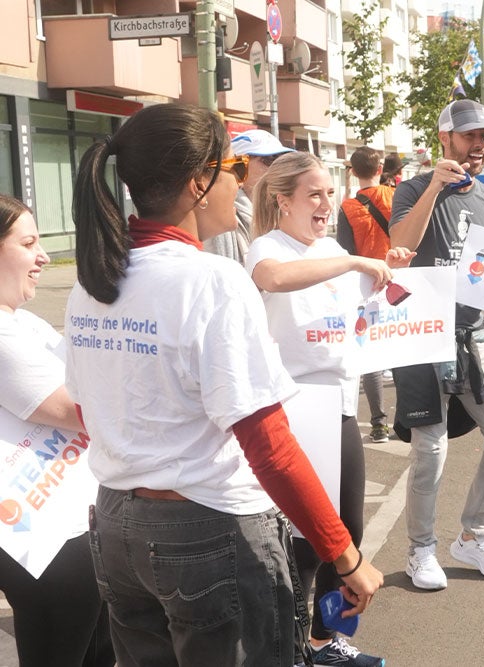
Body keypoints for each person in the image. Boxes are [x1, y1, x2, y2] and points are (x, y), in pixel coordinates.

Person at [65, 102, 382, 667]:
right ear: (197, 183)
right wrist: (345, 554)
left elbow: (92, 412)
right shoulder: (212, 279)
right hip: (207, 531)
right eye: (232, 168)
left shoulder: (92, 280)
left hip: (117, 527)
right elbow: (271, 447)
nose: (240, 182)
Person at [248, 150, 411, 666]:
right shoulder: (265, 248)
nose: (326, 203)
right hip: (292, 412)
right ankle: (291, 647)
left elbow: (362, 314)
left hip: (339, 406)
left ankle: (323, 640)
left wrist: (383, 275)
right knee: (301, 543)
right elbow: (273, 279)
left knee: (348, 532)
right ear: (283, 201)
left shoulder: (332, 249)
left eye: (329, 192)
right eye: (314, 194)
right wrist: (351, 260)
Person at [388, 98, 484, 591]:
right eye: (469, 136)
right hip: (419, 334)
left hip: (472, 334)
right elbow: (400, 244)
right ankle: (421, 551)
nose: (479, 145)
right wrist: (435, 186)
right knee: (430, 450)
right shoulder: (412, 189)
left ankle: (475, 536)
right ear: (445, 140)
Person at [0, 195, 115, 667]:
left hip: (68, 517)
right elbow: (82, 409)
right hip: (40, 530)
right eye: (28, 243)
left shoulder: (22, 321)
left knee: (96, 649)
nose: (44, 256)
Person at [338, 146, 398, 445]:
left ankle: (378, 424)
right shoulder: (395, 196)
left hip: (366, 285)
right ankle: (408, 419)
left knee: (372, 354)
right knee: (403, 346)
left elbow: (345, 252)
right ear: (380, 169)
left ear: (353, 171)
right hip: (400, 280)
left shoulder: (348, 207)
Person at [203, 128, 293, 263]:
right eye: (268, 160)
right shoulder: (220, 217)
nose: (277, 167)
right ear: (238, 166)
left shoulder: (287, 212)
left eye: (282, 161)